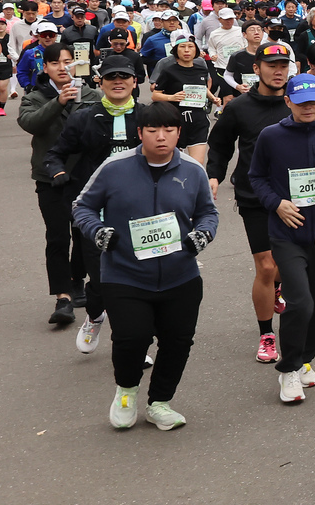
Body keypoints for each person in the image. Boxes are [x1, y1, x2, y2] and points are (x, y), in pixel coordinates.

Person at [72, 101, 219, 431]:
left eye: (169, 130)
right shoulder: (114, 167)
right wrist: (98, 231)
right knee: (131, 339)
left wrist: (203, 234)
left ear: (179, 133)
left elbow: (208, 213)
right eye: (152, 130)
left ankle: (160, 403)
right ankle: (126, 393)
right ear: (140, 133)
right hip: (125, 274)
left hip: (180, 274)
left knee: (178, 341)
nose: (161, 137)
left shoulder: (192, 171)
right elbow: (82, 206)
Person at [248, 74, 315, 403]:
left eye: (314, 101)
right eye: (301, 102)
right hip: (286, 233)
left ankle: (305, 359)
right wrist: (276, 204)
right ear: (288, 101)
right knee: (301, 302)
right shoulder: (271, 136)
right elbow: (256, 176)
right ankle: (289, 369)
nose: (308, 107)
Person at [46, 56, 143, 353]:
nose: (118, 81)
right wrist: (59, 174)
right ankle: (95, 315)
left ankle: (130, 343)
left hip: (139, 211)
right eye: (111, 76)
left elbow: (170, 154)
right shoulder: (84, 117)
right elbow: (55, 154)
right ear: (99, 82)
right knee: (102, 281)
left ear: (134, 82)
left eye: (124, 76)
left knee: (137, 281)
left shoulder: (147, 117)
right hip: (96, 214)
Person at [206, 43, 294, 362]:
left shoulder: (296, 102)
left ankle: (279, 288)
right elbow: (219, 145)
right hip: (254, 196)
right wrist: (214, 174)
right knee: (266, 266)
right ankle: (267, 334)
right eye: (271, 65)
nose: (278, 70)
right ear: (256, 68)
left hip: (294, 198)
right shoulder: (239, 107)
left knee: (285, 266)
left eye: (283, 64)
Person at [19, 41, 102, 325]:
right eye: (55, 63)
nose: (62, 68)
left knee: (83, 234)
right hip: (49, 178)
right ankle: (62, 297)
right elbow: (30, 123)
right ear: (46, 67)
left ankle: (78, 279)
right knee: (57, 236)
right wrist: (59, 102)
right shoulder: (36, 96)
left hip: (87, 177)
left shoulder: (91, 94)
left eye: (68, 61)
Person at [151, 32, 219, 166]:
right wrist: (172, 97)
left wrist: (213, 97)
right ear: (176, 51)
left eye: (190, 47)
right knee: (174, 163)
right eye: (182, 47)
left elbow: (202, 88)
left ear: (196, 50)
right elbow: (155, 95)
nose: (187, 50)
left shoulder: (201, 69)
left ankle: (193, 186)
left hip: (198, 120)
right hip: (175, 120)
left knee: (197, 163)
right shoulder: (169, 71)